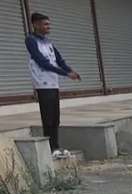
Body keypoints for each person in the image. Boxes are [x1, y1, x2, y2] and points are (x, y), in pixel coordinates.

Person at [24, 12, 81, 158]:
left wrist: (70, 70)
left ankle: (56, 147)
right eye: (45, 24)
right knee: (48, 118)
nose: (49, 27)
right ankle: (50, 148)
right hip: (43, 84)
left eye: (49, 24)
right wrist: (65, 74)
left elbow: (59, 60)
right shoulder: (31, 40)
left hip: (53, 83)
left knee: (55, 118)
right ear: (36, 24)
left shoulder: (48, 43)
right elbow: (42, 62)